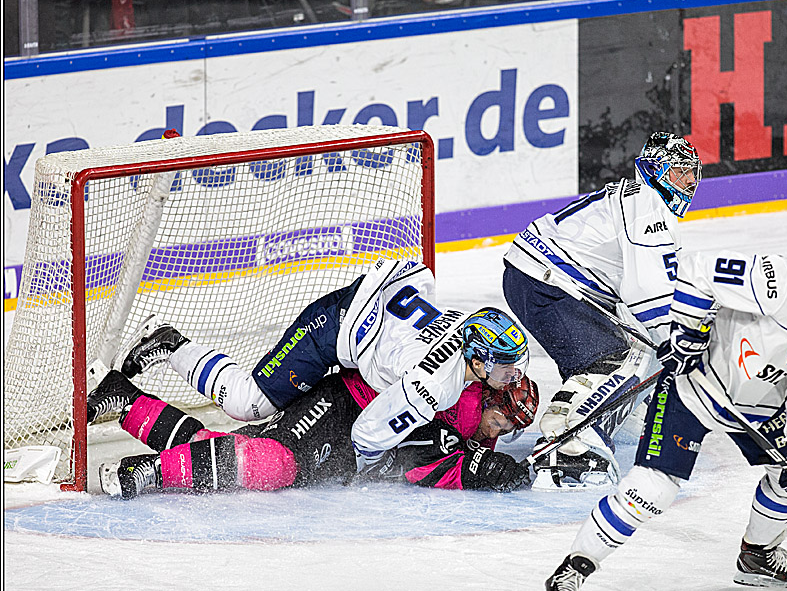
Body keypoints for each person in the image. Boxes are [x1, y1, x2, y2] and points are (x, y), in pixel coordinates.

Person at [535, 201, 787, 591]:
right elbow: (698, 271)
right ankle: (574, 569)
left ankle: (758, 555)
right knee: (653, 488)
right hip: (694, 386)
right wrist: (688, 332)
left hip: (758, 405)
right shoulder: (775, 281)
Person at [117, 258, 530, 472]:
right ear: (477, 358)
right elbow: (367, 434)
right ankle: (170, 343)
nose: (511, 378)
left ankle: (146, 407)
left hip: (370, 310)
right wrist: (368, 471)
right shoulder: (435, 385)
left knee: (260, 439)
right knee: (249, 404)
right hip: (333, 330)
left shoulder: (467, 325)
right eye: (505, 369)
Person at [502, 132, 702, 483]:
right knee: (614, 358)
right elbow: (647, 291)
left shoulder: (639, 199)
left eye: (691, 172)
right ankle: (567, 445)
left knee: (637, 347)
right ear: (655, 170)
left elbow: (641, 290)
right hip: (546, 283)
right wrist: (678, 340)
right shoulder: (648, 205)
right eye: (679, 171)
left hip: (541, 278)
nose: (688, 181)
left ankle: (610, 415)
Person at [87, 366, 539, 499]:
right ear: (486, 395)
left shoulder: (469, 424)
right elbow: (432, 461)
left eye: (511, 427)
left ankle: (126, 401)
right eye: (501, 418)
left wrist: (487, 465)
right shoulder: (456, 399)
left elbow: (434, 461)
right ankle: (147, 471)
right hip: (344, 405)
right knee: (271, 463)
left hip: (350, 445)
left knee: (236, 456)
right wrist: (486, 469)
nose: (499, 430)